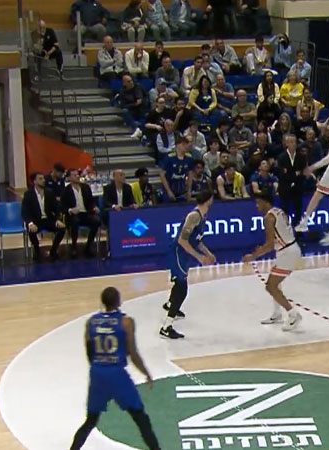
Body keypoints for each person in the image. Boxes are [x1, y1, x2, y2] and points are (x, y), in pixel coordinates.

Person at [69, 287, 161, 450]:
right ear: (118, 301)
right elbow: (133, 353)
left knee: (91, 420)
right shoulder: (126, 322)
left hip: (97, 373)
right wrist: (146, 373)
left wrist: (99, 367)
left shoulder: (91, 322)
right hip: (117, 375)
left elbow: (89, 351)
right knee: (140, 418)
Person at [242, 191, 303, 330]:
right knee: (276, 284)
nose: (257, 206)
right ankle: (277, 313)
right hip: (288, 249)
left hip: (287, 252)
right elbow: (278, 237)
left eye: (258, 203)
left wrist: (253, 256)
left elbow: (269, 245)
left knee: (271, 286)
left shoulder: (268, 218)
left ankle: (293, 314)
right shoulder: (278, 211)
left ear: (265, 202)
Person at [160, 190, 216, 339]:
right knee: (182, 289)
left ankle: (170, 304)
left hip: (184, 254)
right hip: (178, 253)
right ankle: (166, 327)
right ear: (209, 199)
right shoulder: (194, 216)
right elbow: (182, 240)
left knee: (179, 283)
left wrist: (208, 253)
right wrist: (200, 257)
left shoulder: (202, 216)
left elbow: (197, 240)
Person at [22, 172, 66, 261]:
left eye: (43, 178)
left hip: (48, 219)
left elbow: (56, 208)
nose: (43, 180)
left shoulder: (49, 192)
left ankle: (53, 250)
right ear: (34, 181)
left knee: (62, 228)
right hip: (35, 220)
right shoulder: (28, 194)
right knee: (31, 230)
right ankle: (37, 250)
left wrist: (58, 219)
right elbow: (25, 211)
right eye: (40, 179)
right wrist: (30, 223)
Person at [61, 169, 101, 258]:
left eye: (77, 174)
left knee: (96, 221)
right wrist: (70, 210)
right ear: (69, 178)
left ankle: (88, 246)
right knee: (74, 222)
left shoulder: (85, 187)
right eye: (74, 175)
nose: (77, 176)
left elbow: (91, 201)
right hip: (73, 215)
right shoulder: (66, 190)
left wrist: (94, 207)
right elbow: (62, 206)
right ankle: (74, 247)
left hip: (86, 213)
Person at [277, 134, 306, 226]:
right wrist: (295, 174)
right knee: (284, 212)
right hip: (285, 189)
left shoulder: (301, 157)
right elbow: (282, 174)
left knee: (298, 212)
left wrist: (289, 172)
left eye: (294, 142)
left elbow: (303, 173)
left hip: (297, 189)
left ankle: (297, 231)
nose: (293, 144)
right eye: (291, 142)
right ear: (286, 143)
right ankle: (284, 231)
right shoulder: (281, 157)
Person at [159, 135, 194, 202]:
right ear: (177, 145)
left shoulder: (189, 158)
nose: (185, 146)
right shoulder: (169, 158)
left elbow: (190, 174)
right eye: (183, 144)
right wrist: (168, 191)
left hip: (182, 190)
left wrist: (189, 190)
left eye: (186, 144)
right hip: (169, 189)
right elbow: (162, 175)